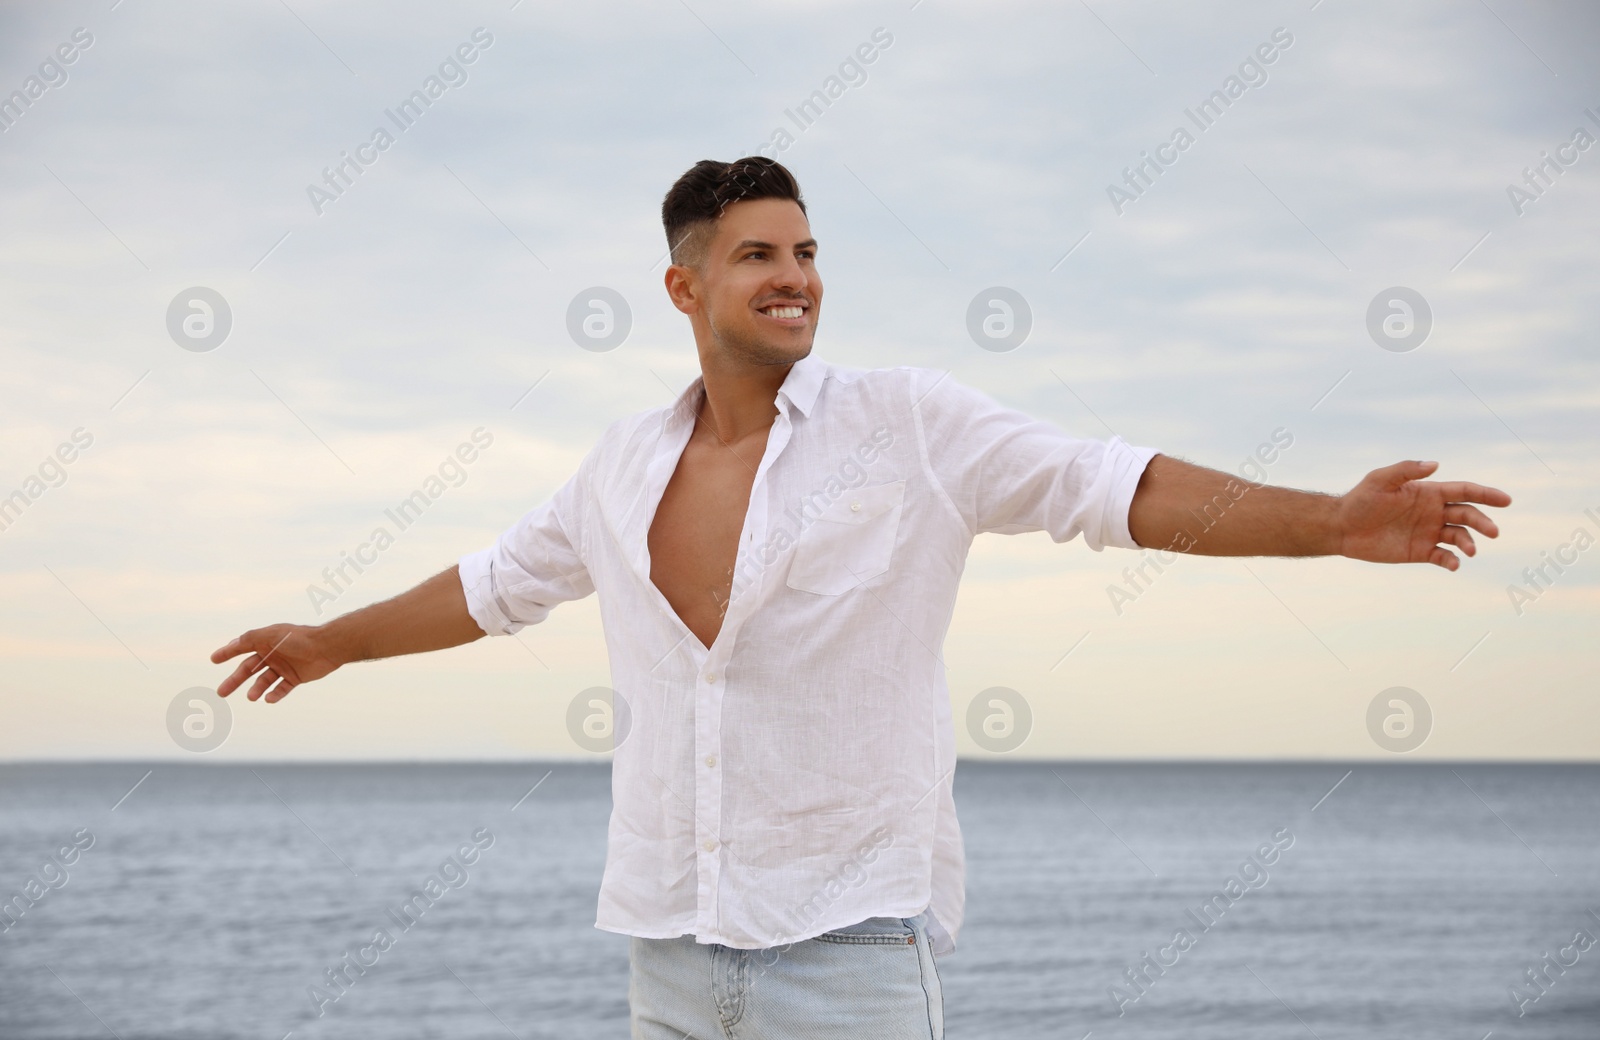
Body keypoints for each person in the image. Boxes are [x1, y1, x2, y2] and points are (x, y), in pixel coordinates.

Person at [211, 156, 1511, 1039]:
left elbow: (1111, 487)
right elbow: (492, 588)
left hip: (848, 962)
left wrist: (1331, 525)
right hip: (666, 956)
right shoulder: (618, 469)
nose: (796, 275)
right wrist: (329, 641)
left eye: (809, 251)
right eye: (757, 254)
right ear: (683, 287)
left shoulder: (906, 425)